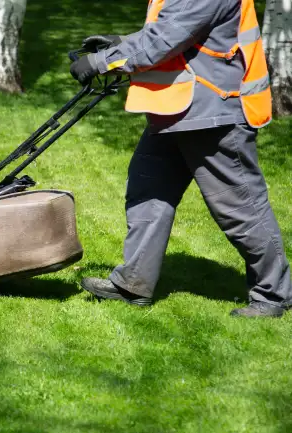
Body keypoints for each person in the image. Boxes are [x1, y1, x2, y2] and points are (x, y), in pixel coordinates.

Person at [69, 0, 291, 317]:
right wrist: (121, 43)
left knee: (241, 209)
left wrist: (103, 61)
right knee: (148, 194)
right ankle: (133, 284)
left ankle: (274, 296)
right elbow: (173, 28)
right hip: (175, 109)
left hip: (214, 114)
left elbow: (164, 40)